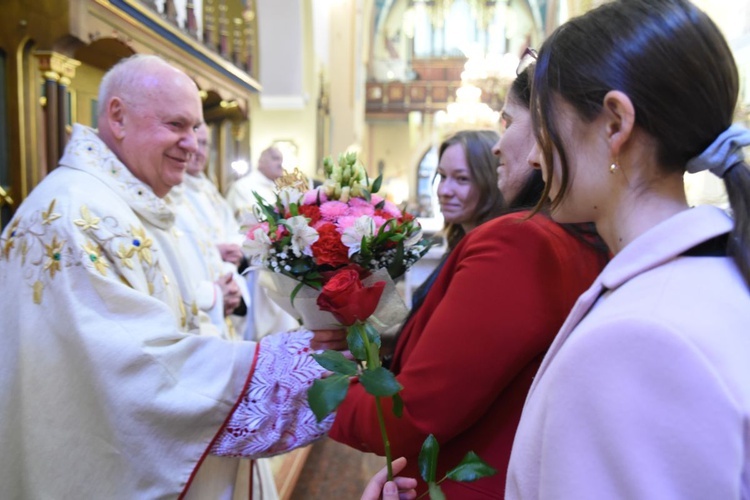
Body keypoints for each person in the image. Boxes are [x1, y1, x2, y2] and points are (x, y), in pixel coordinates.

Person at [0, 54, 345, 499]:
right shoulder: (74, 216)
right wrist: (289, 363)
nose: (192, 142)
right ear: (118, 117)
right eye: (176, 125)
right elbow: (136, 369)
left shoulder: (141, 202)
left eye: (196, 128)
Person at [505, 1, 750, 498]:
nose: (534, 155)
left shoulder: (641, 339)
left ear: (615, 123)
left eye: (544, 123)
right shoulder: (711, 273)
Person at [329, 66, 609, 497]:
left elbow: (415, 417)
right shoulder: (585, 236)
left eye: (508, 121)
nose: (499, 146)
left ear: (547, 133)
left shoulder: (519, 240)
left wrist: (309, 390)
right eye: (443, 177)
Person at [410, 130, 505, 308]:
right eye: (443, 176)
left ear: (491, 182)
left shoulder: (491, 255)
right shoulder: (460, 242)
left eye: (462, 179)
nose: (444, 191)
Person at [226, 145, 285, 220]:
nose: (280, 164)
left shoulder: (280, 188)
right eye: (275, 158)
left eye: (281, 160)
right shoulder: (242, 186)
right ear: (261, 162)